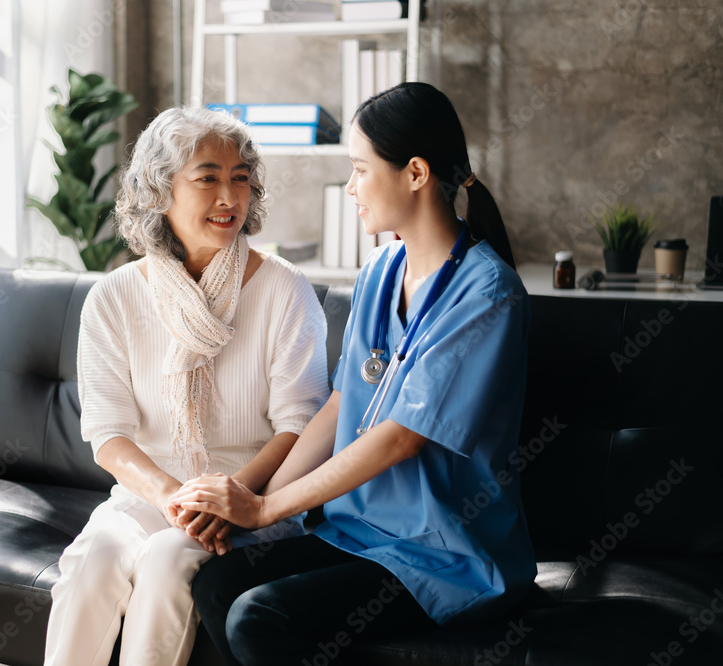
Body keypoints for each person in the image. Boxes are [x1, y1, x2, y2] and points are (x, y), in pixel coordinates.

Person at [171, 82, 538, 665]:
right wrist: (252, 496)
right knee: (217, 583)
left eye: (360, 170)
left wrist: (268, 511)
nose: (350, 188)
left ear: (414, 173)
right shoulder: (380, 270)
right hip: (359, 531)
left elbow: (399, 436)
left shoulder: (487, 294)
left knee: (259, 614)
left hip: (443, 553)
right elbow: (343, 402)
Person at [43, 106, 330, 666]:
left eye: (241, 179)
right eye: (208, 178)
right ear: (160, 191)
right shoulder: (114, 297)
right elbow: (107, 434)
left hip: (256, 499)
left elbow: (301, 425)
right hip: (152, 495)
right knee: (94, 559)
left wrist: (233, 497)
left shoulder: (285, 290)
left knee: (167, 561)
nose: (229, 197)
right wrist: (173, 496)